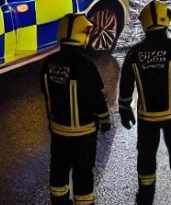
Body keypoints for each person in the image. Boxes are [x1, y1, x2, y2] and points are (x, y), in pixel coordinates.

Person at [119, 1, 171, 205]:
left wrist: (124, 108)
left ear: (144, 24)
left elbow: (126, 83)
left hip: (147, 117)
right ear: (167, 21)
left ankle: (145, 196)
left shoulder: (134, 53)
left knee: (146, 155)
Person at [41, 13, 111, 205]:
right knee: (83, 176)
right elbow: (97, 99)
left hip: (58, 133)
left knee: (58, 173)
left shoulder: (48, 64)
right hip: (84, 135)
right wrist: (105, 120)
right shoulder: (86, 66)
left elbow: (47, 96)